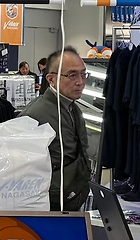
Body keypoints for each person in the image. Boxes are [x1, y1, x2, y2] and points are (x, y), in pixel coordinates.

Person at [21, 47, 93, 211]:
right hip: (51, 206)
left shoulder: (71, 107)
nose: (80, 82)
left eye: (83, 74)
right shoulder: (35, 115)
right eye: (72, 75)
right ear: (51, 79)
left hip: (69, 199)